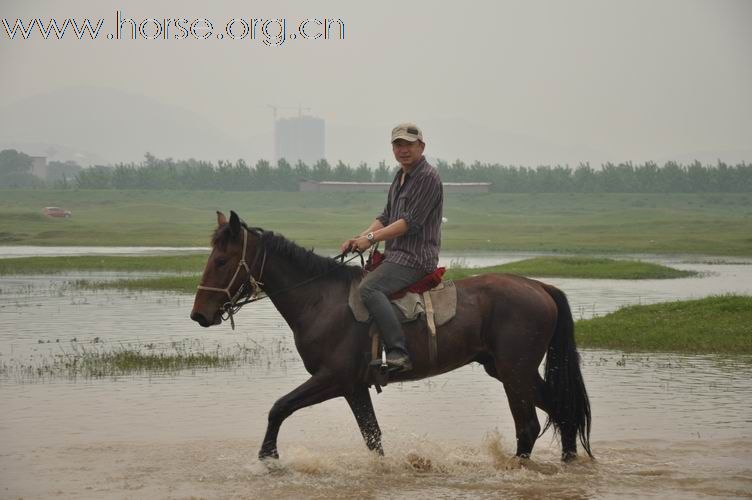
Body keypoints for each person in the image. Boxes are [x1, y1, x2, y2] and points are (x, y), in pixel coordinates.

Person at [340, 123, 443, 373]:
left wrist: (372, 238)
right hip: (395, 255)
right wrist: (360, 237)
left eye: (409, 144)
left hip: (416, 258)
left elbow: (409, 223)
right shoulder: (401, 176)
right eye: (398, 145)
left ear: (422, 146)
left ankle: (398, 351)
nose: (403, 150)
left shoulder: (427, 177)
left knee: (370, 288)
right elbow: (386, 216)